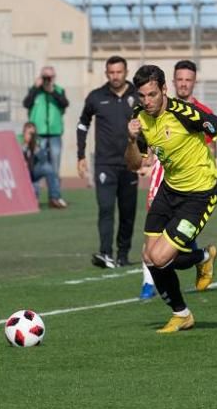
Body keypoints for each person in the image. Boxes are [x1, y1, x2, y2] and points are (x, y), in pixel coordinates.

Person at [126, 64, 217, 333]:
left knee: (160, 257)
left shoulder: (186, 114)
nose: (147, 101)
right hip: (169, 190)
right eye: (142, 96)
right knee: (148, 257)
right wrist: (130, 140)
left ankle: (202, 257)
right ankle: (182, 313)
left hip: (199, 194)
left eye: (152, 94)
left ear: (164, 89)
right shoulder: (139, 118)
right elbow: (134, 163)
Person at [139, 60, 217, 301]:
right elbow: (149, 146)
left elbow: (209, 148)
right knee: (151, 245)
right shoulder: (155, 110)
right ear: (171, 83)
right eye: (180, 79)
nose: (183, 84)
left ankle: (202, 258)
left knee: (174, 250)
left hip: (193, 186)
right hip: (164, 181)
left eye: (188, 80)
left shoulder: (200, 112)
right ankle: (148, 283)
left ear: (194, 82)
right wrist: (146, 163)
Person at [77, 56, 139, 268]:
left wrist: (148, 155)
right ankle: (106, 254)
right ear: (106, 74)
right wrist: (81, 155)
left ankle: (123, 254)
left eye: (119, 72)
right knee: (105, 209)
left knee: (128, 212)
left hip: (130, 163)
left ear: (126, 72)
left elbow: (150, 127)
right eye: (111, 73)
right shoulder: (96, 97)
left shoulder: (138, 96)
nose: (115, 76)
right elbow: (82, 125)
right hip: (104, 164)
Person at [23, 65, 68, 208]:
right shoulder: (35, 91)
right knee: (35, 165)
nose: (47, 80)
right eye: (45, 77)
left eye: (50, 77)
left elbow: (64, 103)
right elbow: (26, 103)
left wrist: (52, 91)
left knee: (54, 166)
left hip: (54, 132)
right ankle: (34, 197)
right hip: (38, 134)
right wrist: (36, 88)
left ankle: (54, 197)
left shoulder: (59, 90)